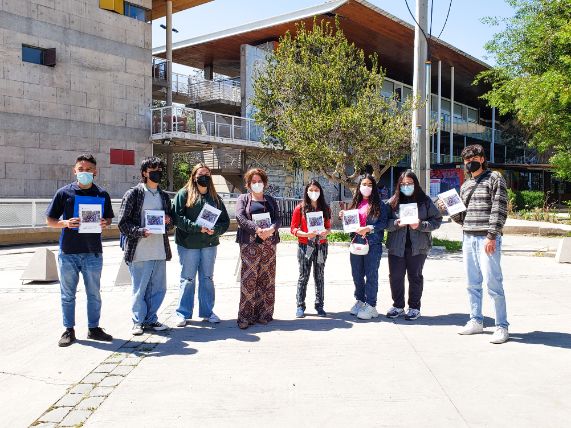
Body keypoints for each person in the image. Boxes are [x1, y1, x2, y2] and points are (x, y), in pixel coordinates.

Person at [437, 144, 509, 344]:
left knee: (493, 283)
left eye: (473, 159)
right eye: (467, 161)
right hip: (468, 237)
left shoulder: (495, 178)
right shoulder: (466, 185)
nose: (470, 163)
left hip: (486, 238)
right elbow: (462, 218)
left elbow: (499, 207)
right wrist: (450, 208)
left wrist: (492, 235)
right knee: (472, 283)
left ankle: (501, 326)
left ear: (482, 158)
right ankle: (476, 320)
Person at [46, 154, 114, 347]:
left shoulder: (102, 194)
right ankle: (69, 330)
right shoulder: (64, 193)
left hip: (93, 252)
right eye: (81, 169)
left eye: (88, 169)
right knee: (68, 294)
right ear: (74, 170)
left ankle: (94, 328)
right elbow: (50, 221)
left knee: (94, 293)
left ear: (95, 171)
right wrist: (65, 223)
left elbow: (108, 218)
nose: (84, 172)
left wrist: (105, 222)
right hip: (68, 252)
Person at [118, 157, 173, 336]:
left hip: (159, 249)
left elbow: (171, 222)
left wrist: (168, 220)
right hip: (139, 250)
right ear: (144, 173)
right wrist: (141, 231)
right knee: (139, 289)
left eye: (159, 169)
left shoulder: (164, 196)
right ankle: (138, 321)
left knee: (158, 288)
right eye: (153, 169)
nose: (157, 172)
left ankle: (151, 319)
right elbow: (123, 223)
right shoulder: (134, 194)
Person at [172, 163, 230, 327]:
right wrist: (197, 227)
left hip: (209, 244)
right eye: (201, 174)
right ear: (194, 176)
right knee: (188, 278)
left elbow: (224, 221)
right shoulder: (184, 194)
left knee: (207, 278)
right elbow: (177, 218)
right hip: (188, 244)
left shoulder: (215, 198)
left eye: (207, 174)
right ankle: (182, 313)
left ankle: (207, 312)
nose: (204, 177)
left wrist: (216, 230)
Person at [385, 170, 442, 321]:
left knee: (415, 277)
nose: (406, 186)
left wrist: (421, 225)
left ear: (415, 184)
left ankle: (414, 307)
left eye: (409, 183)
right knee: (395, 276)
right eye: (403, 184)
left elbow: (436, 220)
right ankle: (398, 305)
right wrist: (396, 223)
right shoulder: (393, 202)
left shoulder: (425, 201)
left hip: (418, 246)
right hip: (396, 246)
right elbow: (384, 223)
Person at [235, 168, 281, 329]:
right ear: (248, 184)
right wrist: (256, 229)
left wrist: (271, 229)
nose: (257, 184)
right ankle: (245, 317)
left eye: (259, 181)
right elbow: (240, 217)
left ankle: (264, 314)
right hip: (250, 244)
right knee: (249, 279)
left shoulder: (270, 200)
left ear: (265, 183)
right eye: (253, 182)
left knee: (267, 279)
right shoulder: (243, 199)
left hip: (269, 243)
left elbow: (277, 218)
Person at [340, 174, 388, 320]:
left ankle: (371, 305)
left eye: (369, 185)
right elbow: (352, 223)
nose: (366, 187)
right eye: (363, 184)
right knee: (357, 274)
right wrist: (344, 215)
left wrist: (369, 228)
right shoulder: (355, 203)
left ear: (373, 187)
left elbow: (383, 223)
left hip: (372, 244)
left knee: (371, 274)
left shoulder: (380, 204)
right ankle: (360, 300)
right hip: (357, 243)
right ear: (359, 186)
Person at [290, 179, 332, 318]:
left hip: (321, 246)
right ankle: (300, 305)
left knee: (319, 275)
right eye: (311, 190)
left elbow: (328, 227)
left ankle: (319, 305)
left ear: (320, 192)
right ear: (307, 191)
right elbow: (293, 229)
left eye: (316, 190)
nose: (314, 193)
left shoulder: (325, 208)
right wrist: (306, 234)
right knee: (304, 276)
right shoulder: (300, 208)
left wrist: (327, 231)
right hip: (305, 246)